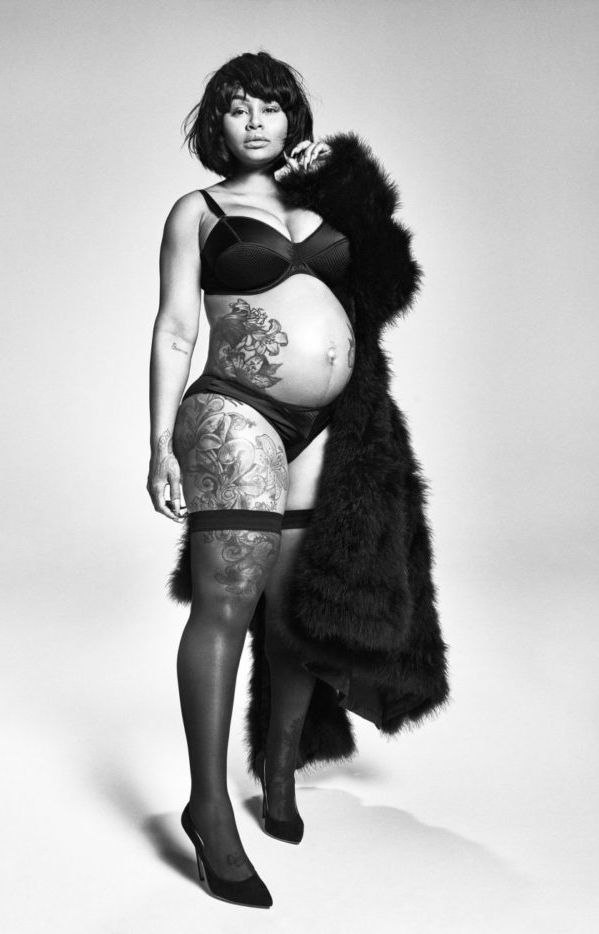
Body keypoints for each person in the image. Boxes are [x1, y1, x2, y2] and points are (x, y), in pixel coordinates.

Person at [148, 51, 449, 909]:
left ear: (293, 120)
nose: (255, 121)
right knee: (228, 603)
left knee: (296, 606)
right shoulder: (199, 211)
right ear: (217, 122)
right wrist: (160, 444)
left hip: (332, 426)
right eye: (238, 106)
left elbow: (390, 285)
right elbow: (174, 330)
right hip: (235, 410)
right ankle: (209, 808)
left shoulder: (326, 202)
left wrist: (347, 185)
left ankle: (280, 765)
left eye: (271, 106)